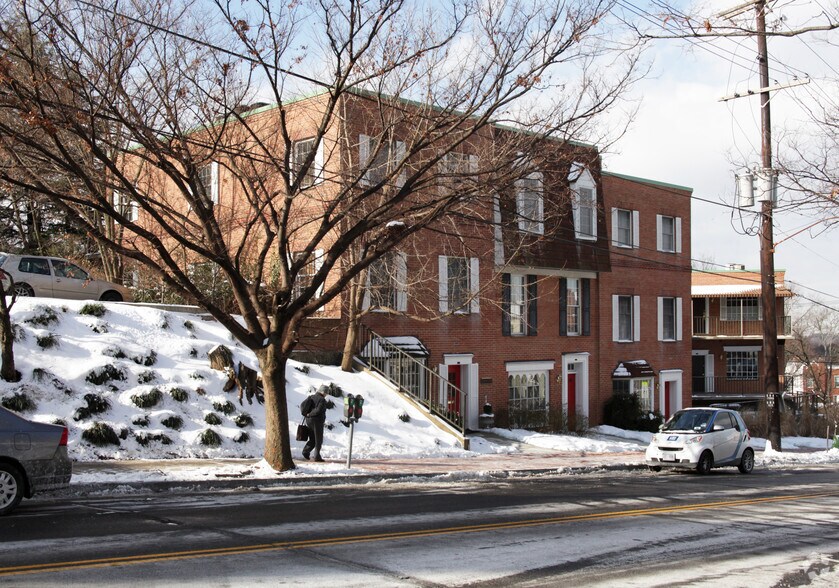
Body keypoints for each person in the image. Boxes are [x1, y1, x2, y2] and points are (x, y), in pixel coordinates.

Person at [300, 385, 328, 462]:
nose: (326, 394)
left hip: (308, 420)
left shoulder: (311, 397)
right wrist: (310, 414)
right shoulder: (322, 400)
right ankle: (317, 456)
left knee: (312, 438)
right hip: (317, 421)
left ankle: (306, 451)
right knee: (318, 439)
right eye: (326, 393)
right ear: (323, 392)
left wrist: (307, 415)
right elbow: (318, 410)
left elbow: (302, 406)